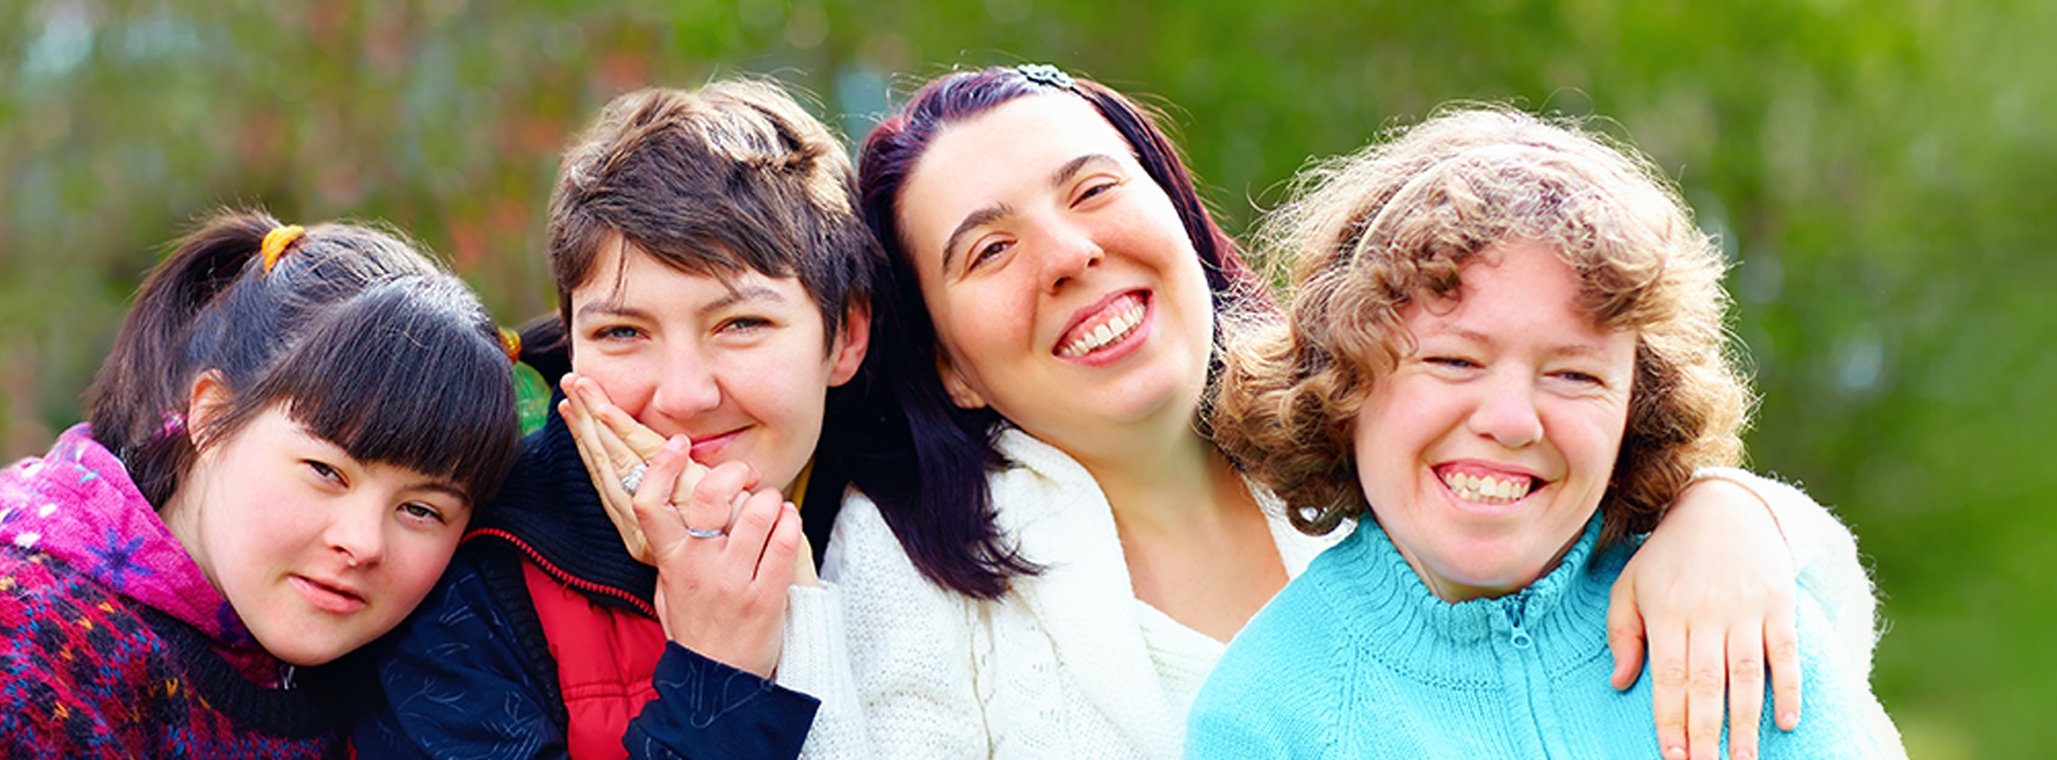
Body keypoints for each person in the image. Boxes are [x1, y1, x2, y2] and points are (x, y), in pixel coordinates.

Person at [806, 65, 1871, 759]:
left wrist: (1724, 510)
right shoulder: (910, 559)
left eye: (1091, 191)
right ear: (949, 363)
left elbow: (1790, 611)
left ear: (1176, 219)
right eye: (988, 248)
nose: (1070, 251)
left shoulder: (1377, 418)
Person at [1188, 105, 1904, 758]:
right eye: (1453, 360)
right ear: (1343, 381)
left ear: (1638, 409)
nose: (1510, 420)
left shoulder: (1736, 632)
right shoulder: (1266, 714)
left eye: (1574, 375)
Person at [0, 212, 522, 757]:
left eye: (422, 509)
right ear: (211, 417)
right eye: (326, 472)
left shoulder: (411, 672)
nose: (363, 543)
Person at [357, 77, 887, 759]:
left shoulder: (935, 512)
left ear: (844, 337)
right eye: (623, 333)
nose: (684, 395)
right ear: (570, 340)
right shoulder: (466, 575)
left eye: (741, 324)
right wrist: (715, 676)